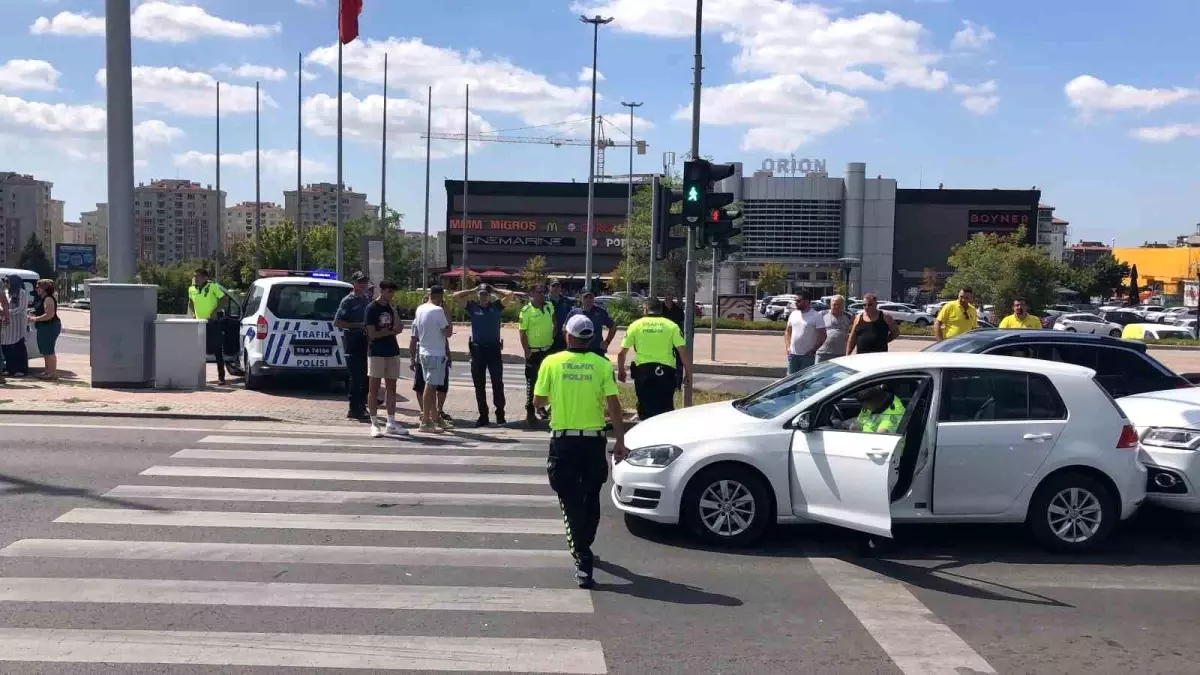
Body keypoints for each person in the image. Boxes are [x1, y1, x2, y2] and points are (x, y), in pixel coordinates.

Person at [533, 314, 627, 589]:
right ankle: (585, 544)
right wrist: (620, 440)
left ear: (567, 335)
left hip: (564, 442)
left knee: (569, 499)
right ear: (591, 338)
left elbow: (539, 400)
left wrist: (553, 401)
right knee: (591, 498)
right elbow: (614, 405)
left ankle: (583, 558)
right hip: (594, 442)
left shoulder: (551, 362)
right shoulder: (601, 364)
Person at [452, 283, 518, 427]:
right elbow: (455, 296)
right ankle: (483, 415)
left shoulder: (496, 306)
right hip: (477, 351)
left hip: (493, 350)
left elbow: (510, 294)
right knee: (479, 385)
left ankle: (500, 414)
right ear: (478, 295)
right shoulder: (472, 306)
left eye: (485, 294)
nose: (483, 296)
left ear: (489, 296)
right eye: (481, 294)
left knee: (497, 383)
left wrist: (494, 289)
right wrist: (472, 289)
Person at [618, 298, 690, 420]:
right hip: (666, 373)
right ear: (660, 309)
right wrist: (688, 373)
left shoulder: (635, 325)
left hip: (643, 372)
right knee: (665, 409)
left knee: (645, 407)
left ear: (645, 309)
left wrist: (621, 371)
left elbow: (621, 353)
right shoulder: (671, 326)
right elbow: (682, 351)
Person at [364, 280, 407, 438]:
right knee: (374, 388)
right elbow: (372, 334)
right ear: (381, 291)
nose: (391, 294)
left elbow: (399, 328)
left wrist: (394, 311)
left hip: (392, 350)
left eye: (392, 292)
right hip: (376, 351)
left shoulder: (391, 308)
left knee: (392, 388)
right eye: (389, 291)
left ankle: (391, 421)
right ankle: (374, 423)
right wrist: (389, 332)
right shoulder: (372, 308)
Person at [412, 285, 454, 433]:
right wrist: (447, 312)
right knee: (430, 387)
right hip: (435, 353)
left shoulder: (420, 309)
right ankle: (425, 421)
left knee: (430, 386)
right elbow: (448, 332)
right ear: (440, 296)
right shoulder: (438, 311)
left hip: (423, 351)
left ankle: (435, 418)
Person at [334, 271, 374, 421]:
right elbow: (337, 322)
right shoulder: (348, 301)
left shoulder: (368, 299)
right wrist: (356, 325)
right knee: (356, 377)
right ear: (354, 283)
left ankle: (362, 406)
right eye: (360, 282)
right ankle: (353, 408)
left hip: (367, 342)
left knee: (366, 377)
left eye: (365, 282)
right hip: (353, 341)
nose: (363, 285)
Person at [519, 284, 556, 429]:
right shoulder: (526, 310)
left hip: (547, 350)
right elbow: (522, 332)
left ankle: (542, 406)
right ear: (531, 294)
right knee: (532, 381)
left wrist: (554, 330)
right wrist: (526, 350)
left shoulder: (548, 306)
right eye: (538, 292)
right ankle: (530, 411)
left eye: (543, 292)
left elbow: (554, 320)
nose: (541, 295)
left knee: (548, 381)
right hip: (533, 352)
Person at [187, 268, 228, 385]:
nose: (196, 278)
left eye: (198, 276)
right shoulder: (191, 289)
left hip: (212, 323)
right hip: (199, 324)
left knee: (217, 350)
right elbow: (190, 302)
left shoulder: (212, 287)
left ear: (205, 278)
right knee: (198, 351)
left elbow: (224, 299)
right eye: (195, 276)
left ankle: (221, 377)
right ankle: (197, 376)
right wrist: (194, 314)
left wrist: (215, 311)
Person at [783, 291, 826, 375]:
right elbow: (787, 332)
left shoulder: (816, 316)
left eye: (798, 301)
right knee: (790, 381)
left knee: (804, 382)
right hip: (793, 355)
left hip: (807, 356)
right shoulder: (793, 314)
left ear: (806, 301)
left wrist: (813, 350)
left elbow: (823, 336)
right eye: (795, 301)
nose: (796, 303)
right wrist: (788, 348)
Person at [567, 291, 616, 358]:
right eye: (585, 297)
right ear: (581, 299)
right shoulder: (574, 312)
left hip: (596, 350)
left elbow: (613, 327)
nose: (588, 299)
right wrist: (569, 343)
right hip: (577, 350)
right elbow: (565, 329)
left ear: (594, 299)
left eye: (591, 297)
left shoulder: (600, 312)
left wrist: (607, 342)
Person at [29, 279, 60, 380]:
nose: (36, 289)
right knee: (45, 350)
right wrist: (33, 314)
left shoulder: (48, 299)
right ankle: (48, 372)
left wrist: (35, 319)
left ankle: (52, 373)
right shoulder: (42, 298)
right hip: (44, 326)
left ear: (44, 289)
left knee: (49, 350)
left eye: (38, 287)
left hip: (49, 326)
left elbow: (49, 315)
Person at [1, 277, 28, 377]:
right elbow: (2, 304)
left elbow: (21, 308)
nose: (5, 283)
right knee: (6, 347)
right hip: (6, 325)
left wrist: (7, 312)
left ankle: (20, 369)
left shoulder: (22, 293)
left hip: (18, 325)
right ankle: (10, 368)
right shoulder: (6, 292)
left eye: (7, 282)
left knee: (17, 348)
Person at [815, 295, 853, 364]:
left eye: (839, 305)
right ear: (830, 305)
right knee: (818, 374)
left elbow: (853, 333)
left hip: (840, 355)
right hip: (822, 353)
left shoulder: (849, 316)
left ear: (843, 305)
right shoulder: (821, 314)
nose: (836, 307)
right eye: (834, 304)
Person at [546, 279, 574, 352]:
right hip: (548, 338)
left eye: (558, 286)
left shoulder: (566, 301)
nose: (556, 288)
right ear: (549, 287)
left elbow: (570, 318)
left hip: (563, 338)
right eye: (553, 286)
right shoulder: (544, 301)